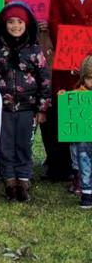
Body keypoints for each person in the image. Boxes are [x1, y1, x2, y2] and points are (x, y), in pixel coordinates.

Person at [0, 2, 50, 202]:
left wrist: (42, 108)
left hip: (28, 108)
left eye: (20, 22)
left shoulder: (34, 50)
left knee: (24, 144)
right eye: (11, 22)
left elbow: (45, 80)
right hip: (2, 108)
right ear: (4, 24)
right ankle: (9, 180)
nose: (15, 26)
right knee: (5, 144)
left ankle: (23, 180)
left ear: (27, 24)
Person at [46, 0, 92, 183]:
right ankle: (78, 172)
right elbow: (54, 20)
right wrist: (72, 53)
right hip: (69, 57)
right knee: (74, 113)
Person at [60, 56, 92, 208]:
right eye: (90, 78)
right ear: (83, 78)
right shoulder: (77, 93)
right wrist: (63, 98)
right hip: (82, 142)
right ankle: (86, 193)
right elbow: (71, 114)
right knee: (83, 164)